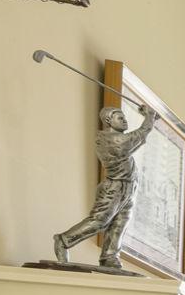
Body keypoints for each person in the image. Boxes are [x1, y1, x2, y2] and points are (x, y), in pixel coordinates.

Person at [54, 103, 156, 271]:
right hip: (114, 187)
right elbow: (140, 135)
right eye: (120, 118)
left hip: (128, 187)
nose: (124, 121)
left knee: (120, 222)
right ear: (109, 120)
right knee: (100, 221)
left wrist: (150, 118)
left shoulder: (117, 139)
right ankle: (64, 240)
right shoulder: (110, 139)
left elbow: (138, 142)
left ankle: (110, 256)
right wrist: (150, 117)